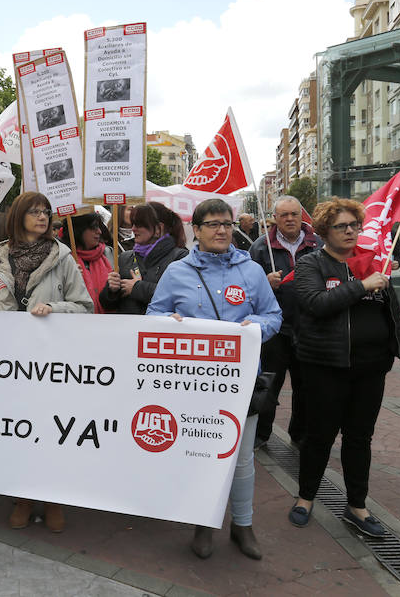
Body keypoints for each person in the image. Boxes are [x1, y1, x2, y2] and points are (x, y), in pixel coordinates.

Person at [147, 198, 282, 560]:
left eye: (227, 223)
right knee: (199, 455)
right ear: (197, 230)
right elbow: (154, 314)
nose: (222, 230)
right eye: (213, 224)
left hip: (241, 382)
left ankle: (242, 525)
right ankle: (203, 522)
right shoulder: (177, 272)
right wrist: (167, 324)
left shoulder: (252, 270)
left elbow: (273, 315)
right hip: (193, 385)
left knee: (241, 459)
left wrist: (257, 326)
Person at [0, 192, 92, 533]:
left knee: (51, 431)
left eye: (46, 212)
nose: (42, 217)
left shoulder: (62, 256)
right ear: (18, 216)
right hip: (10, 361)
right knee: (18, 431)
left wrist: (54, 309)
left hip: (50, 362)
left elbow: (85, 306)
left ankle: (53, 499)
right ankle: (23, 497)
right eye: (35, 211)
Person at [288, 199, 400, 538]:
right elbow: (315, 304)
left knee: (359, 437)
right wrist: (361, 286)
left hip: (371, 368)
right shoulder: (311, 264)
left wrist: (392, 345)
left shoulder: (372, 262)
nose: (351, 231)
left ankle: (356, 506)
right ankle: (305, 498)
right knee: (319, 436)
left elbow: (389, 310)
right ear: (325, 231)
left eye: (355, 225)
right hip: (326, 366)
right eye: (342, 226)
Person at [248, 196, 321, 449]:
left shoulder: (317, 244)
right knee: (269, 384)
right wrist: (264, 283)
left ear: (301, 216)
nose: (290, 219)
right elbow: (246, 287)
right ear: (275, 218)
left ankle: (299, 434)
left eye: (294, 214)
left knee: (305, 386)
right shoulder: (260, 247)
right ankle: (261, 434)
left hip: (309, 327)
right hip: (275, 330)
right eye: (284, 215)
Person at [100, 202, 188, 315]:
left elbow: (180, 296)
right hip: (128, 325)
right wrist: (111, 290)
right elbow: (107, 305)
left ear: (158, 228)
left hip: (161, 325)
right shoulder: (125, 258)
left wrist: (137, 288)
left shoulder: (180, 257)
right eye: (133, 224)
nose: (133, 229)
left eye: (139, 225)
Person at [69, 212, 113, 313]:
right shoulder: (66, 258)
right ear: (79, 229)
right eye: (94, 227)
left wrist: (114, 290)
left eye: (99, 227)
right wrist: (71, 279)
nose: (99, 231)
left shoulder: (107, 253)